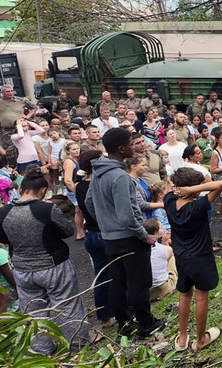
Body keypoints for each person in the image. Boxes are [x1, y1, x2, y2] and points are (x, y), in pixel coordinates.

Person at [0, 166, 96, 352]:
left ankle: (41, 350)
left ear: (20, 189)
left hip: (23, 269)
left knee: (34, 311)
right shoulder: (46, 209)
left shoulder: (2, 213)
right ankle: (77, 343)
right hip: (53, 265)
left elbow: (1, 238)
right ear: (42, 191)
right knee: (67, 304)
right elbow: (67, 231)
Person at [86, 127, 164, 338]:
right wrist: (143, 234)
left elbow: (89, 203)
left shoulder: (98, 173)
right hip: (129, 238)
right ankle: (146, 323)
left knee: (117, 283)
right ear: (121, 149)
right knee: (139, 283)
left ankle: (124, 324)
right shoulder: (120, 177)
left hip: (110, 238)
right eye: (131, 143)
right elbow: (127, 215)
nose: (134, 147)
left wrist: (105, 221)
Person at [165, 167, 222, 352]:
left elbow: (168, 180)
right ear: (192, 188)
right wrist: (191, 190)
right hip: (200, 257)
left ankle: (183, 338)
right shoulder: (198, 205)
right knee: (201, 297)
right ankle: (200, 340)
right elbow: (220, 184)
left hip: (181, 257)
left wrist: (182, 188)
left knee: (185, 294)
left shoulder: (169, 200)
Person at [75, 149, 114, 328]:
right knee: (120, 272)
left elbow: (81, 210)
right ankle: (126, 310)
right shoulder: (100, 184)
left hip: (90, 233)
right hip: (105, 232)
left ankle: (105, 316)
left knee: (101, 275)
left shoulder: (80, 186)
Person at [142, 219, 177, 302]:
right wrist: (165, 242)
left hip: (148, 292)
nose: (163, 228)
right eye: (161, 227)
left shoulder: (140, 250)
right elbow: (166, 254)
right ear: (156, 232)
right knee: (171, 256)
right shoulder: (164, 249)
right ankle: (175, 279)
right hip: (164, 289)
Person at [62, 141, 85, 240]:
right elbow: (67, 179)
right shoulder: (69, 162)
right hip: (73, 190)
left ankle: (81, 232)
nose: (76, 151)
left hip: (79, 188)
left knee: (79, 211)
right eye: (73, 149)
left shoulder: (77, 159)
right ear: (68, 151)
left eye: (77, 148)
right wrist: (76, 191)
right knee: (80, 210)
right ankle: (80, 232)